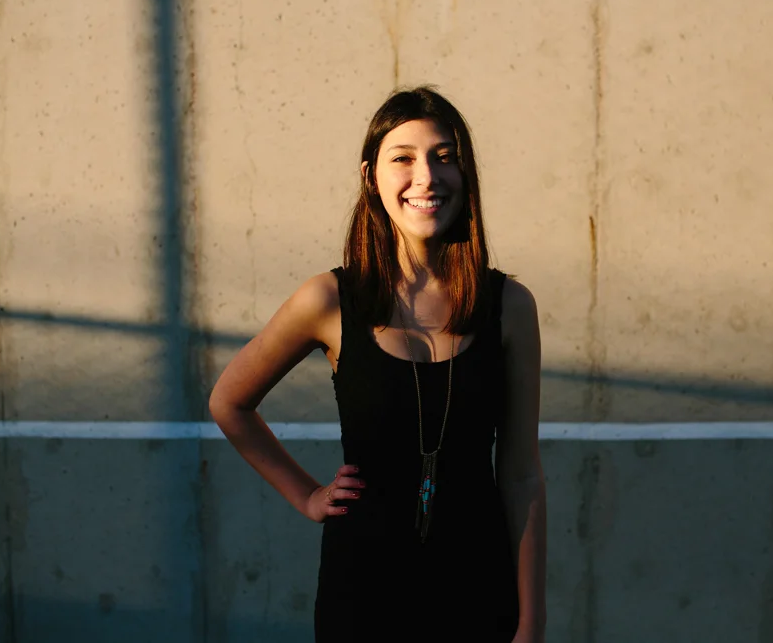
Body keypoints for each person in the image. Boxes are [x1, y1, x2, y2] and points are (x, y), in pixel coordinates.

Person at [209, 86, 546, 642]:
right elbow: (230, 402)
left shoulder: (510, 306)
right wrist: (306, 495)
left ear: (466, 173)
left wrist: (530, 622)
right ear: (371, 177)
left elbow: (522, 475)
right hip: (362, 588)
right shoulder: (327, 300)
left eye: (444, 157)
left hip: (476, 587)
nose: (426, 177)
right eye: (403, 159)